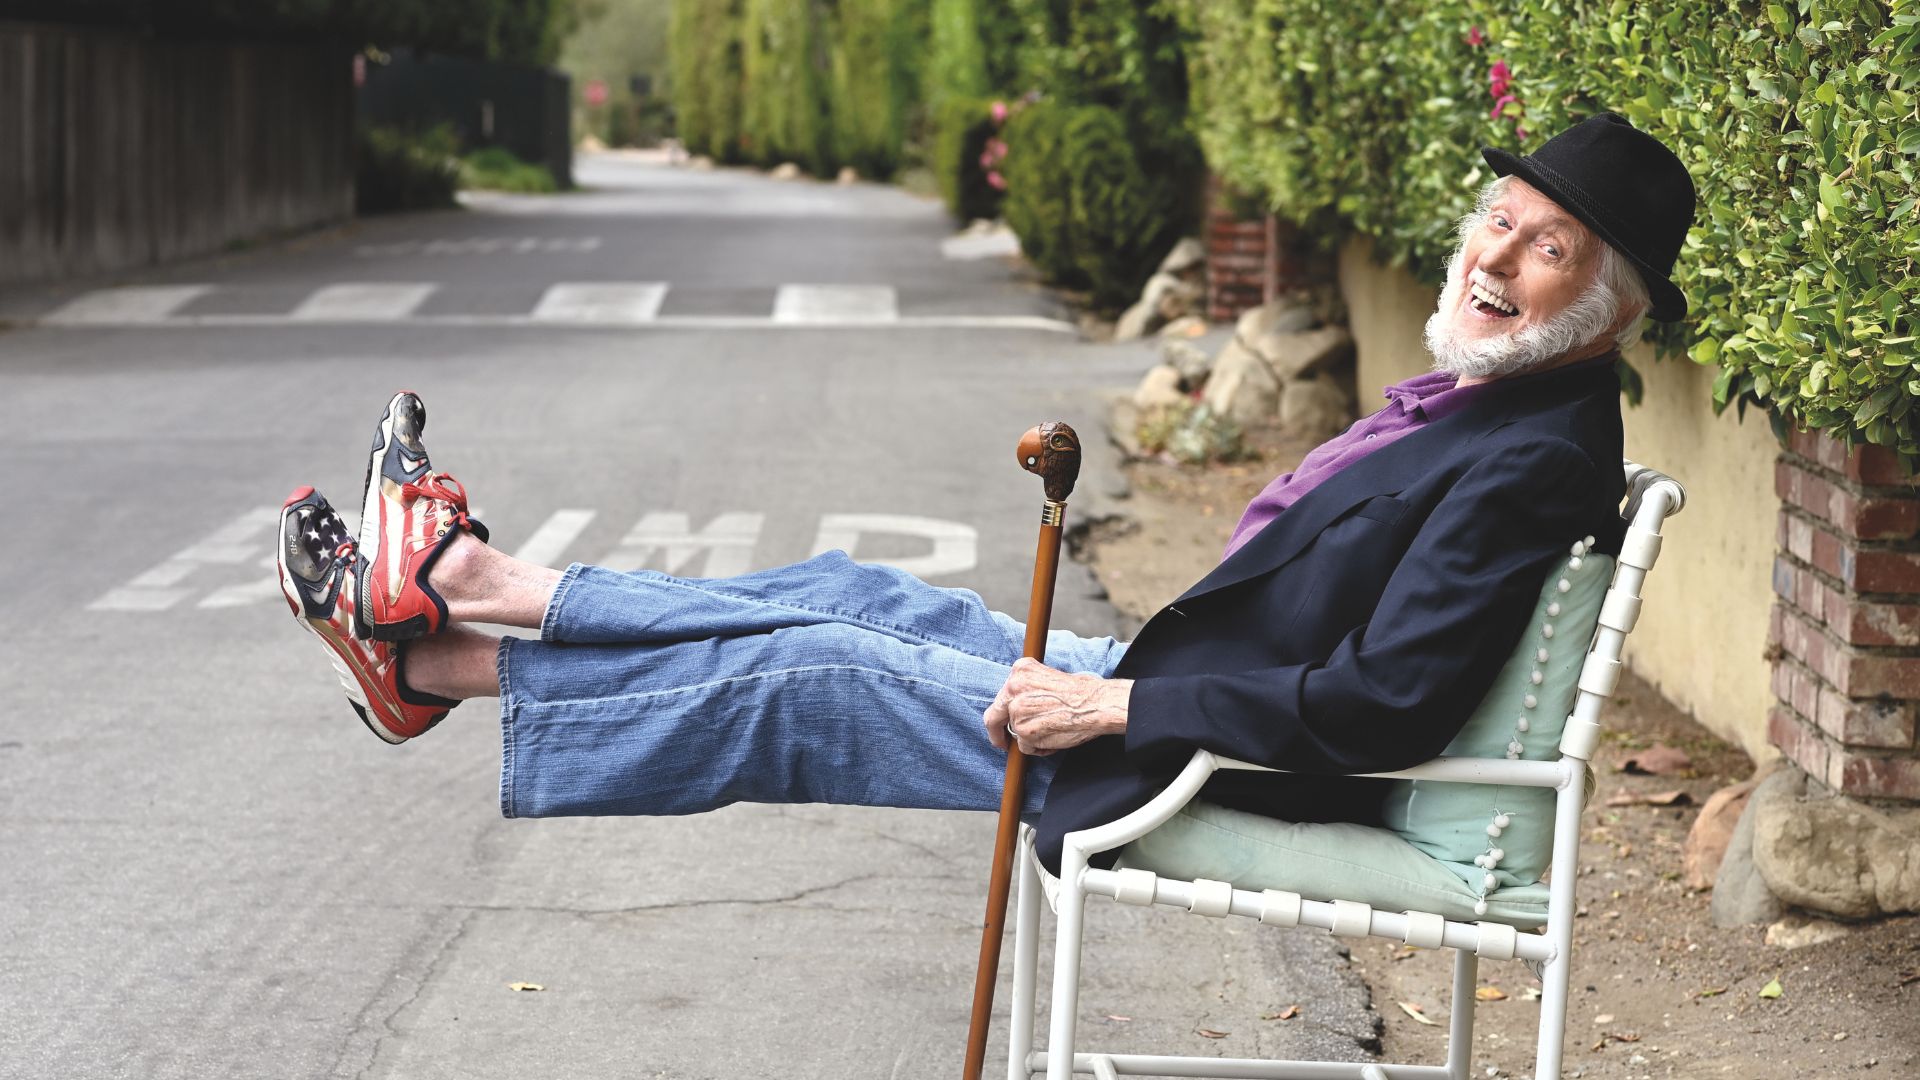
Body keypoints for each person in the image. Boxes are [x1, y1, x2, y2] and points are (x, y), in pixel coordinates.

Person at [276, 114, 1695, 872]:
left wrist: (1113, 705)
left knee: (820, 675)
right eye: (1500, 216)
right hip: (1188, 691)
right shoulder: (1509, 403)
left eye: (1551, 246)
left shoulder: (1528, 456)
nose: (1496, 254)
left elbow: (1386, 703)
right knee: (848, 593)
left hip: (1200, 754)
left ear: (1613, 307)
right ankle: (462, 612)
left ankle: (448, 636)